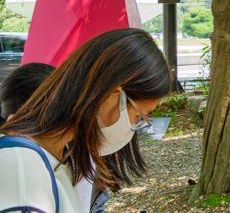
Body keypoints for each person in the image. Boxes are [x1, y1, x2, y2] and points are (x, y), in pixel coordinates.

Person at [0, 28, 171, 212]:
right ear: (112, 93)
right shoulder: (23, 167)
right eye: (139, 117)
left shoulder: (55, 160)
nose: (134, 127)